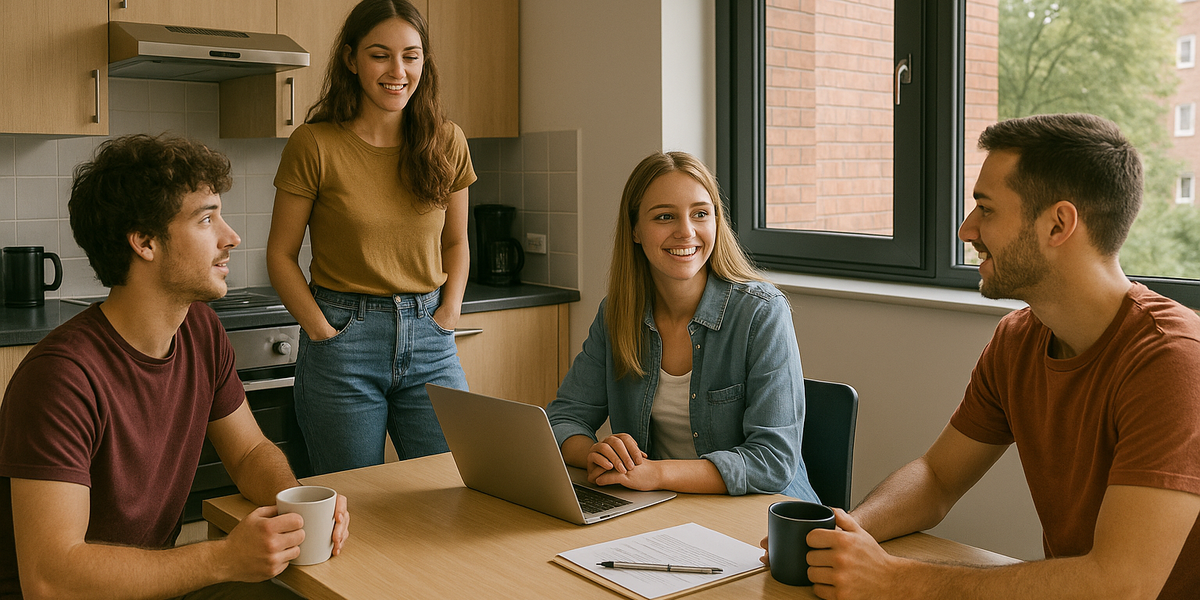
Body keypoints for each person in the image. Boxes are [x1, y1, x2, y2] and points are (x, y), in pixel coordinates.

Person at [768, 114, 1200, 600]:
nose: (966, 229)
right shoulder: (1018, 339)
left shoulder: (1173, 361)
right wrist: (842, 532)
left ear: (1058, 224)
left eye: (986, 209)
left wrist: (896, 580)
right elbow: (937, 478)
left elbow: (1121, 584)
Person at [0, 134, 350, 599]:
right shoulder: (60, 378)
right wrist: (223, 557)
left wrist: (295, 504)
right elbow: (50, 579)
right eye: (206, 219)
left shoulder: (200, 331)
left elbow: (248, 454)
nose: (231, 236)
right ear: (144, 242)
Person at [268, 0, 476, 474]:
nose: (397, 70)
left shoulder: (447, 141)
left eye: (411, 55)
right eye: (380, 54)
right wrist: (323, 333)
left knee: (450, 488)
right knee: (352, 502)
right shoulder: (315, 144)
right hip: (344, 341)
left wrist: (449, 313)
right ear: (351, 60)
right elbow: (280, 254)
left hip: (430, 336)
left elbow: (456, 243)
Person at [546, 151, 818, 500]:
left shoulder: (762, 313)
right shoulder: (617, 315)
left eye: (700, 214)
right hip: (664, 509)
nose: (686, 232)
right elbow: (562, 419)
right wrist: (595, 454)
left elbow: (773, 462)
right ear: (635, 231)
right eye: (664, 217)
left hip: (762, 513)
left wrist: (655, 472)